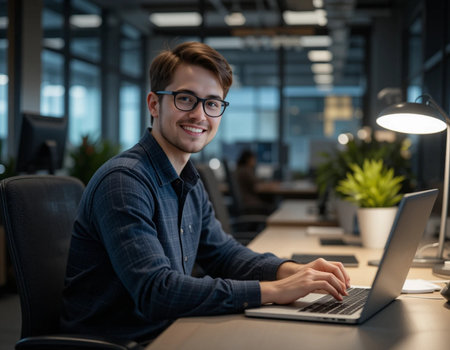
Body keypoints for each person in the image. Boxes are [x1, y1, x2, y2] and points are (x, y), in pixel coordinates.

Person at [60, 41, 350, 344]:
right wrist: (275, 291)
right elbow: (157, 292)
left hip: (171, 330)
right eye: (185, 98)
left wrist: (291, 271)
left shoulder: (188, 180)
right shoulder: (125, 181)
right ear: (154, 104)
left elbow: (223, 255)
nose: (200, 115)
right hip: (129, 341)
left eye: (212, 103)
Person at [235, 149, 274, 214]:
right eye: (253, 159)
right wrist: (269, 184)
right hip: (249, 201)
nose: (255, 161)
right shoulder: (245, 170)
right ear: (248, 159)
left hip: (244, 200)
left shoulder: (239, 169)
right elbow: (257, 182)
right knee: (271, 204)